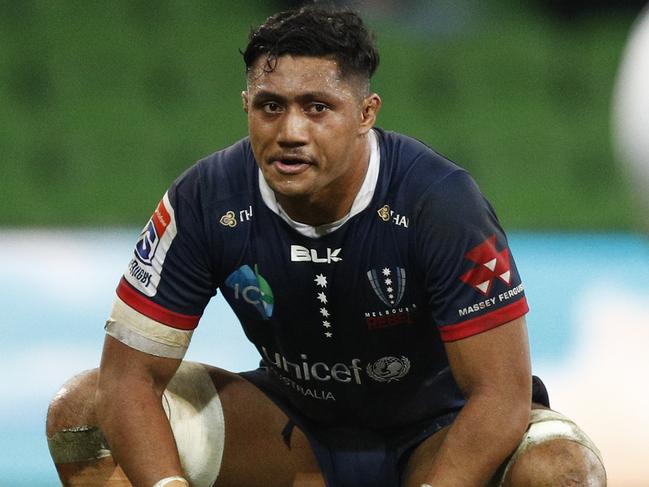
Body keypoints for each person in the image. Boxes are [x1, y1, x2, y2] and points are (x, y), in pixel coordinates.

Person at [46, 5, 607, 487]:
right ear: (245, 105)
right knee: (83, 416)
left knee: (561, 470)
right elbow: (129, 380)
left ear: (366, 114)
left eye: (317, 107)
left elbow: (501, 397)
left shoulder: (441, 202)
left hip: (440, 432)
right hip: (291, 429)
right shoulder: (202, 199)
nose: (290, 131)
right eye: (270, 106)